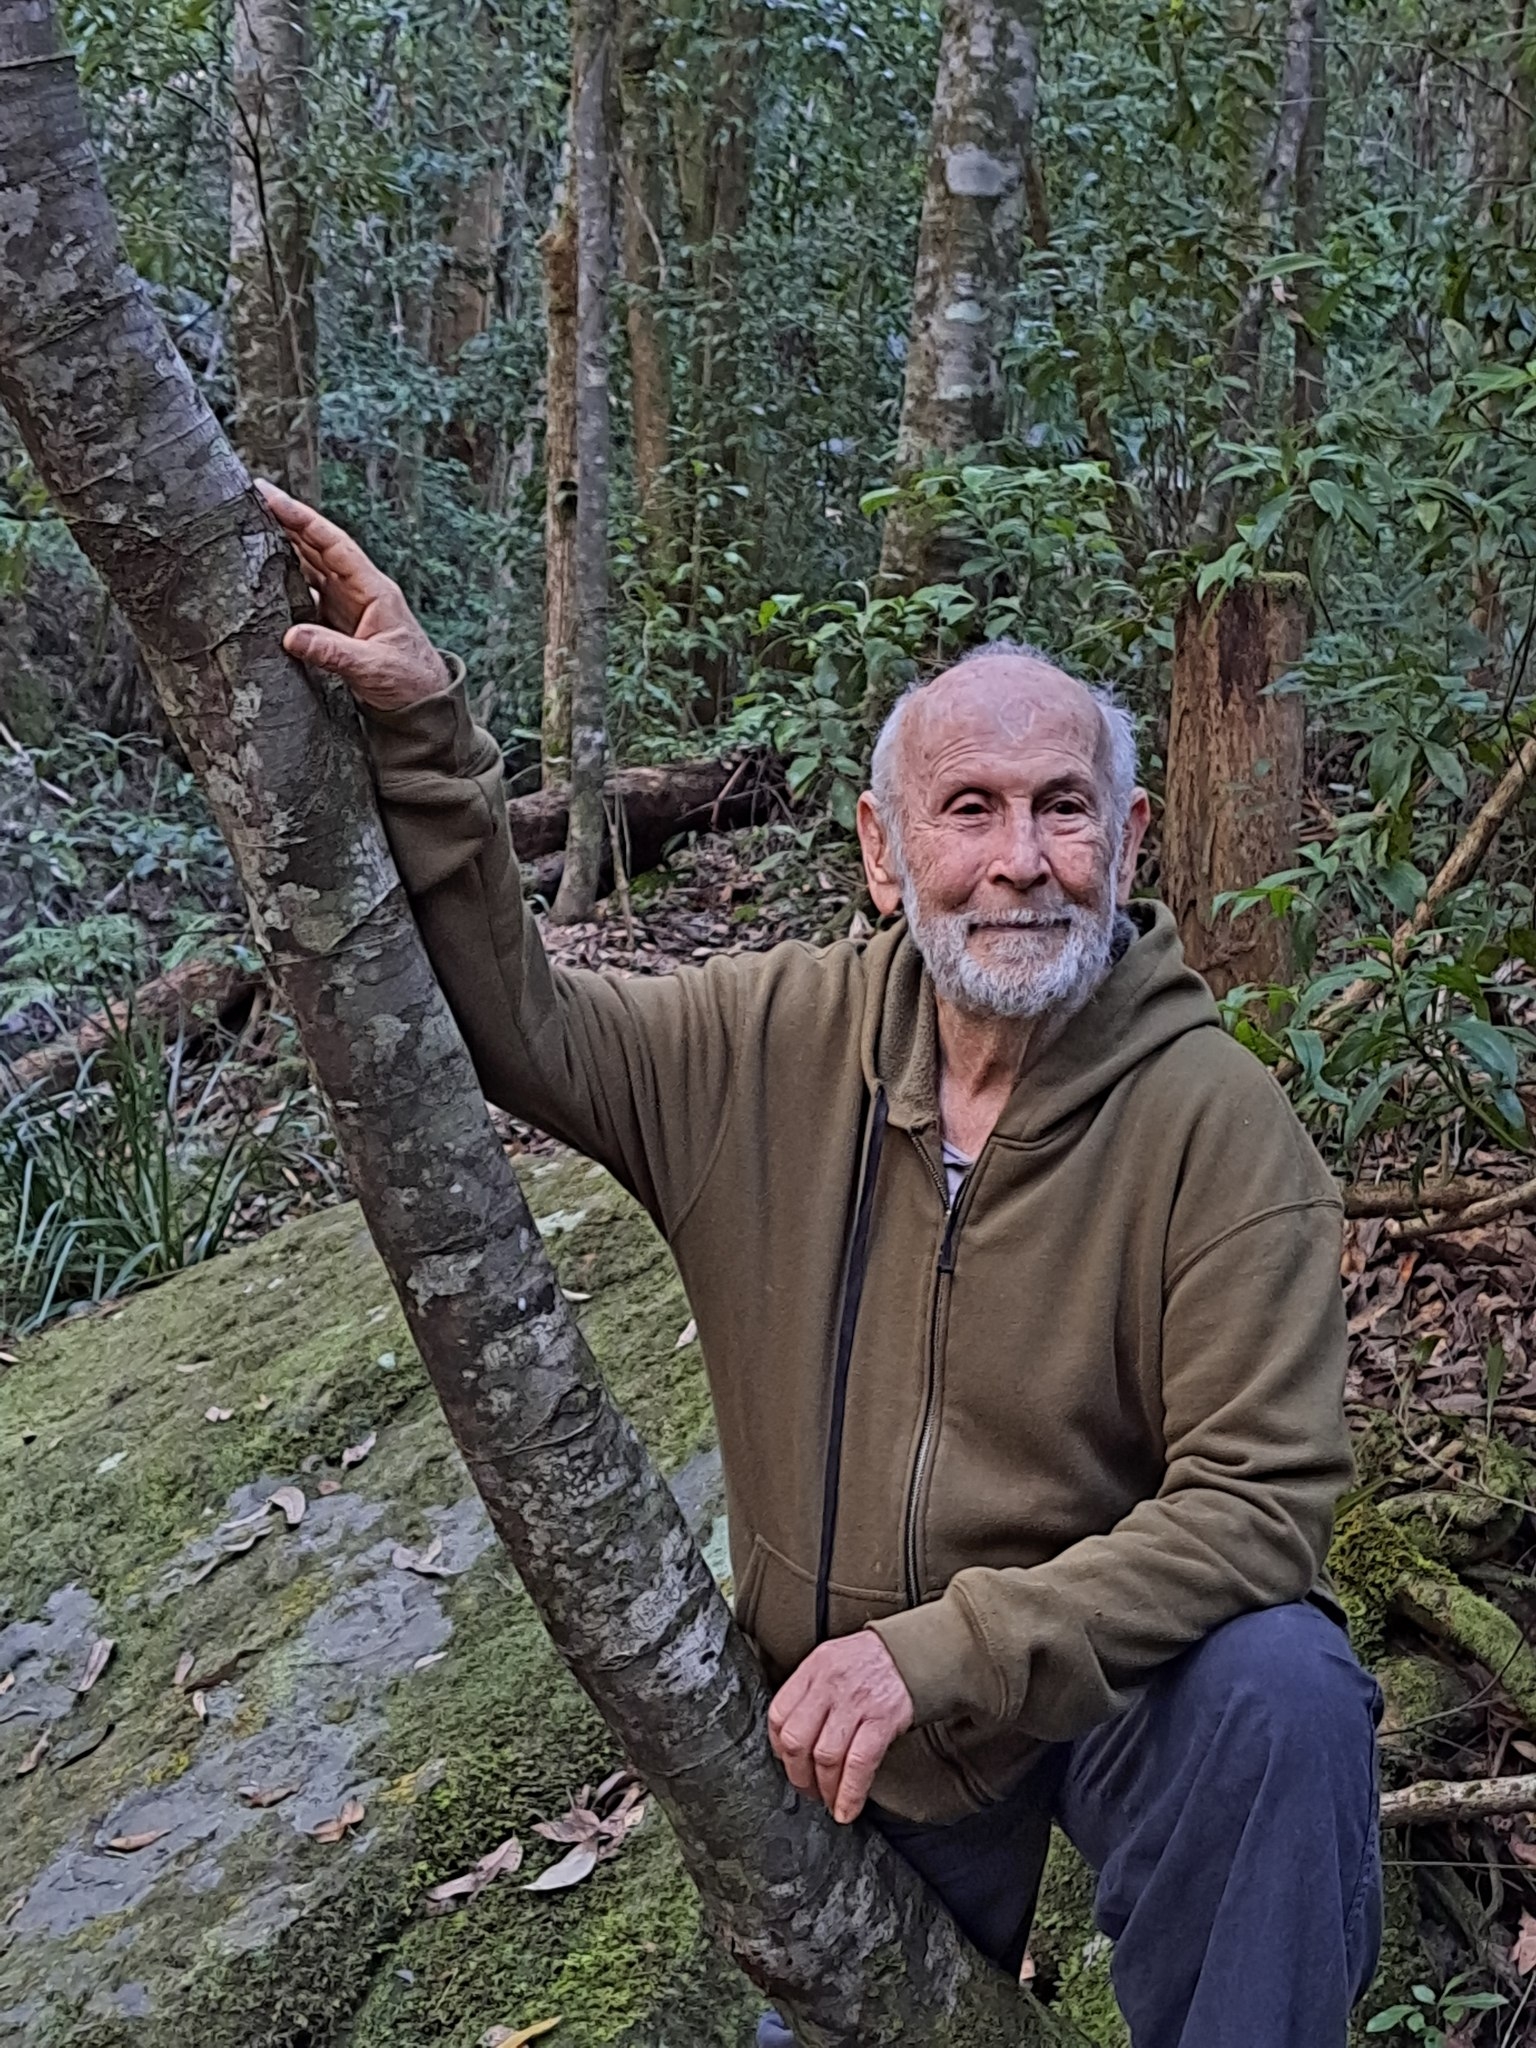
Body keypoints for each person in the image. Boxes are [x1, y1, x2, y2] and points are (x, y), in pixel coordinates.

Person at [258, 480, 1384, 2048]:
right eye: (968, 809)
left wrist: (946, 1654)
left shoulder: (1221, 1129)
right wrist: (434, 734)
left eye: (1063, 808)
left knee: (1287, 1696)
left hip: (1094, 1706)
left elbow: (1261, 1509)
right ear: (882, 846)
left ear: (1127, 841)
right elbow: (526, 1023)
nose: (1021, 860)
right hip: (851, 1761)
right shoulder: (772, 1044)